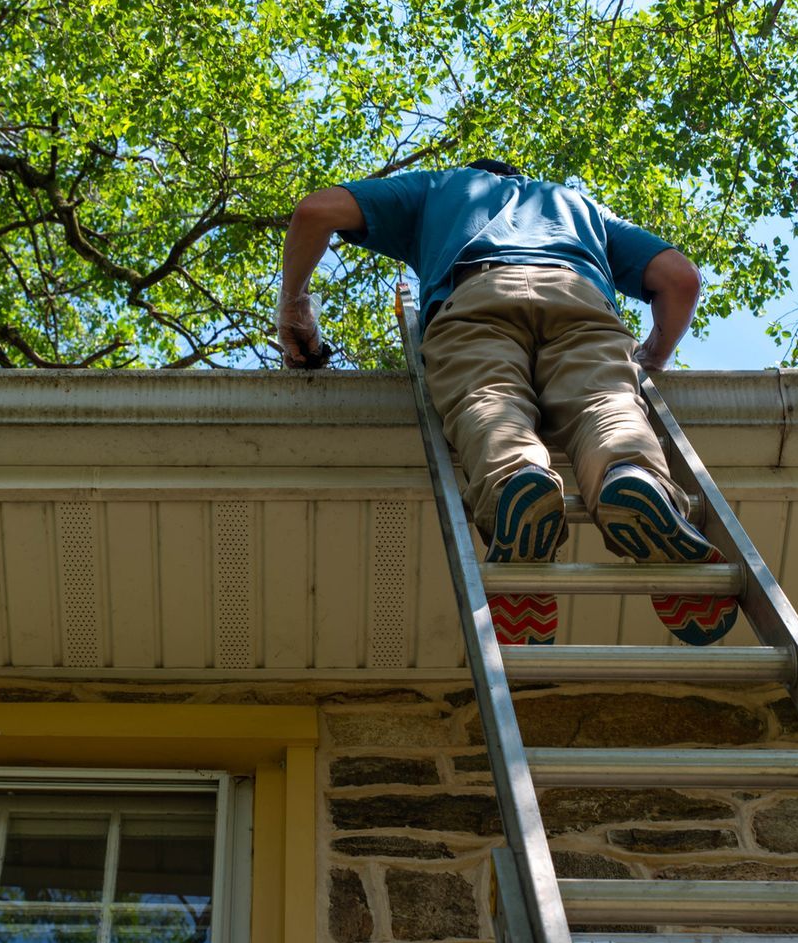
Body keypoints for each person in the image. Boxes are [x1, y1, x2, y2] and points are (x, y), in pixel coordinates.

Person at [276, 158, 737, 645]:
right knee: (607, 405)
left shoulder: (441, 187)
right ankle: (634, 477)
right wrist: (652, 355)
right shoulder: (578, 205)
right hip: (580, 298)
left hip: (475, 298)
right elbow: (680, 278)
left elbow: (314, 211)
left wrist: (294, 307)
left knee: (489, 399)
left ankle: (518, 480)